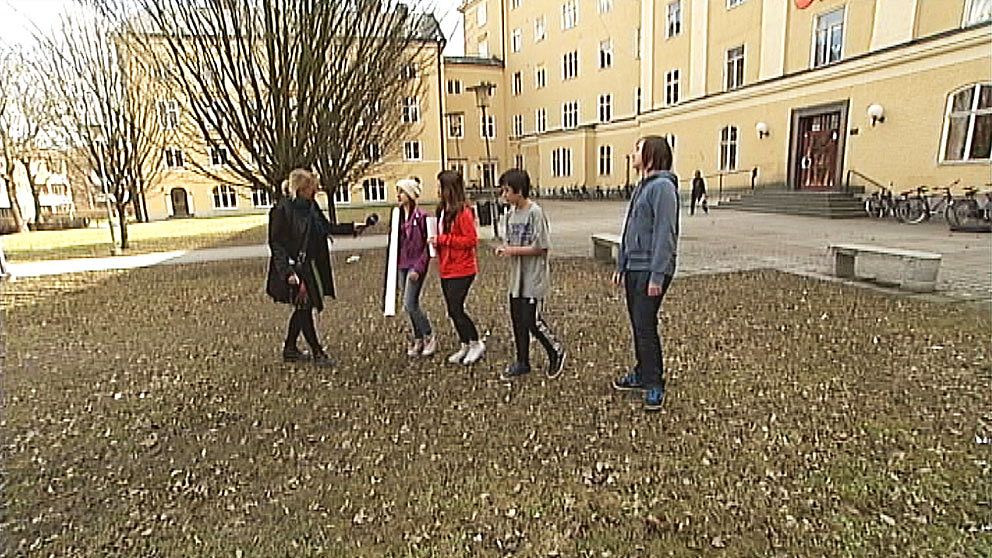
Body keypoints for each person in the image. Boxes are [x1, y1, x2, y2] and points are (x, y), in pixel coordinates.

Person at [612, 136, 680, 411]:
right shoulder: (642, 186)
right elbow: (630, 227)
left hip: (650, 268)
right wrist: (621, 264)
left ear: (651, 154)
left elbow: (666, 233)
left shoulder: (663, 188)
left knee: (645, 325)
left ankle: (654, 383)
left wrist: (657, 275)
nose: (633, 153)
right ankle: (642, 372)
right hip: (634, 266)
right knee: (638, 325)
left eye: (638, 148)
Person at [266, 169, 360, 367]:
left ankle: (290, 348)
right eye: (312, 187)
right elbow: (277, 244)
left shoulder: (310, 207)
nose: (316, 190)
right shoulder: (281, 210)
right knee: (304, 306)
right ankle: (317, 352)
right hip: (295, 267)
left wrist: (351, 228)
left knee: (303, 307)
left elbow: (326, 227)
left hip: (312, 265)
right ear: (301, 189)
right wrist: (287, 272)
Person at [495, 169, 566, 381]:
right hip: (516, 279)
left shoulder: (535, 213)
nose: (504, 195)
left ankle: (556, 351)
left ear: (519, 190)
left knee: (531, 321)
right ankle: (522, 361)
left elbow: (542, 247)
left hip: (533, 277)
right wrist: (505, 248)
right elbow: (509, 242)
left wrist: (512, 251)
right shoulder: (509, 215)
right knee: (517, 320)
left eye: (507, 190)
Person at [428, 170, 485, 365]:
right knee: (451, 310)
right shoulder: (443, 210)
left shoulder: (463, 212)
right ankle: (464, 343)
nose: (438, 190)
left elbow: (470, 240)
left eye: (441, 187)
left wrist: (443, 240)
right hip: (447, 267)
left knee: (456, 308)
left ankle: (475, 342)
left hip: (462, 268)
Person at [395, 178, 436, 357]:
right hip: (402, 265)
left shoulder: (422, 217)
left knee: (409, 304)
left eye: (402, 192)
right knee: (408, 304)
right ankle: (418, 337)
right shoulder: (397, 217)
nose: (398, 195)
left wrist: (418, 269)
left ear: (410, 195)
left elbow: (428, 246)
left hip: (415, 265)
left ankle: (429, 335)